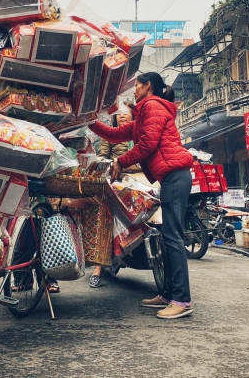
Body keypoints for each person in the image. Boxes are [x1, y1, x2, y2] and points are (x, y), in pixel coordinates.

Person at [89, 72, 195, 319]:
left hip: (176, 177)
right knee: (167, 237)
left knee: (173, 238)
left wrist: (121, 162)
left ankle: (181, 300)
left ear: (148, 86)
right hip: (171, 178)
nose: (134, 90)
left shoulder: (153, 106)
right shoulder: (144, 114)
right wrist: (88, 120)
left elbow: (147, 144)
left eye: (136, 85)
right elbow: (112, 134)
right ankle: (169, 294)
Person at [89, 110, 133, 288]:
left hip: (139, 177)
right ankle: (98, 267)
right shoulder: (110, 135)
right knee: (106, 214)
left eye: (126, 113)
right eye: (119, 113)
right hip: (117, 179)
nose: (122, 116)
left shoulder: (141, 131)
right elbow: (102, 157)